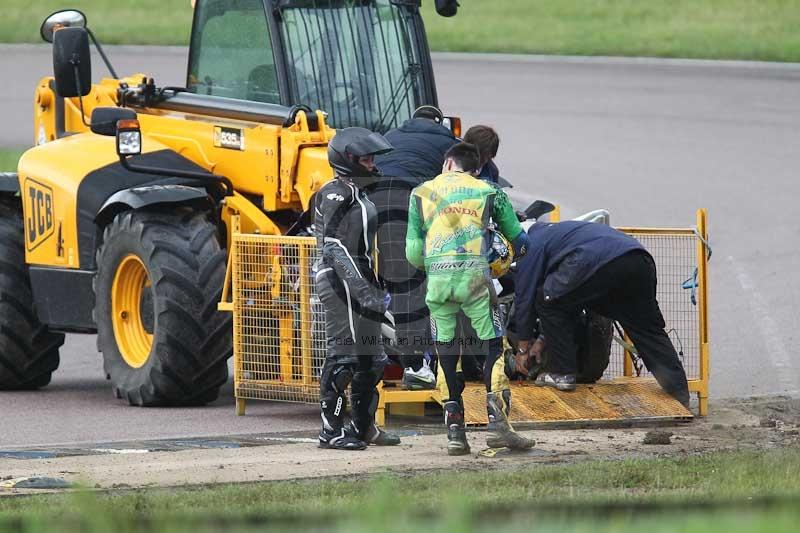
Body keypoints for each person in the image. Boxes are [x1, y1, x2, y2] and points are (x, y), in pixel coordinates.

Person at [406, 142, 535, 455]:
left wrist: (436, 264)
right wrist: (505, 260)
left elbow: (412, 253)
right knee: (492, 346)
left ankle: (455, 433)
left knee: (447, 351)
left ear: (448, 163)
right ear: (476, 169)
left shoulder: (421, 193)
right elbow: (521, 241)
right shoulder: (489, 192)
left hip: (438, 286)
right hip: (476, 282)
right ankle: (498, 425)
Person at [512, 220, 691, 408]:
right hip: (638, 260)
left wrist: (522, 349)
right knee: (646, 329)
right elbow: (569, 302)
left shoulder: (530, 243)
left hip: (596, 262)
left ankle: (561, 372)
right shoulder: (560, 232)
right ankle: (679, 394)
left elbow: (525, 297)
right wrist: (543, 338)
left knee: (545, 298)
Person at [314, 127, 402, 450]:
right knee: (344, 358)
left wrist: (374, 287)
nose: (372, 164)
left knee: (373, 360)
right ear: (348, 160)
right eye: (365, 159)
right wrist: (362, 290)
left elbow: (363, 250)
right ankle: (330, 431)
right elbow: (334, 247)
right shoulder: (336, 191)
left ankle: (362, 426)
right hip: (338, 284)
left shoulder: (359, 193)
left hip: (359, 284)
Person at [372, 105, 458, 389]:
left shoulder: (390, 135)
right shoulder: (447, 142)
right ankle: (415, 367)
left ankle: (382, 356)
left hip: (373, 203)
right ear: (439, 121)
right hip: (408, 201)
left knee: (391, 280)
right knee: (411, 285)